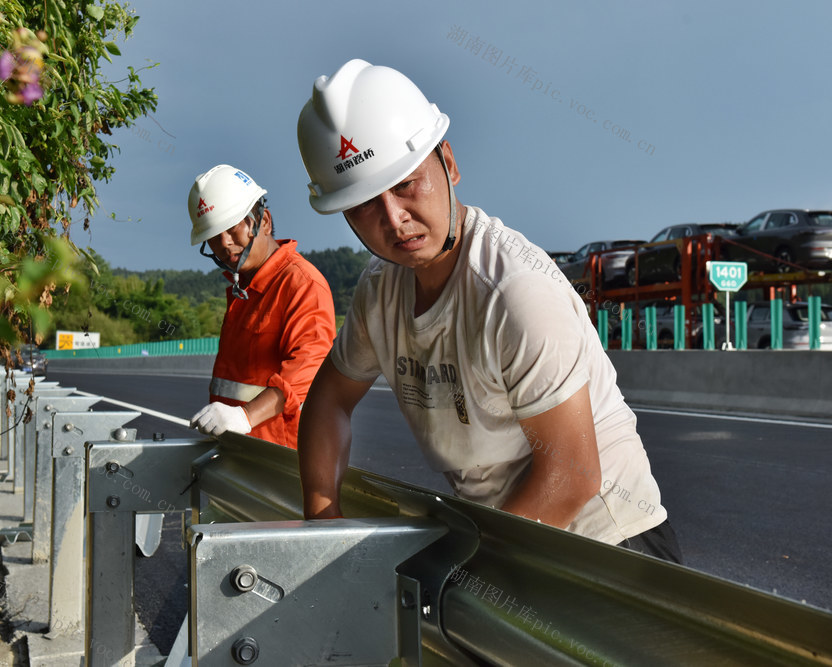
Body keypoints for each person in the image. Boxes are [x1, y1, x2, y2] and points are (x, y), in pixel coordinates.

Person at [295, 59, 681, 562]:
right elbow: (328, 401)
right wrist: (320, 523)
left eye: (407, 184)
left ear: (448, 163)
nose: (394, 219)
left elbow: (573, 475)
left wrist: (471, 568)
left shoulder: (514, 292)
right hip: (506, 536)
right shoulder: (380, 290)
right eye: (365, 204)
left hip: (606, 546)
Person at [186, 164, 336, 449]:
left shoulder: (301, 285)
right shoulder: (242, 289)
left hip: (277, 458)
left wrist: (245, 416)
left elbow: (308, 368)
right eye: (213, 237)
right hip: (235, 449)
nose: (225, 244)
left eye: (232, 229)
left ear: (263, 221)